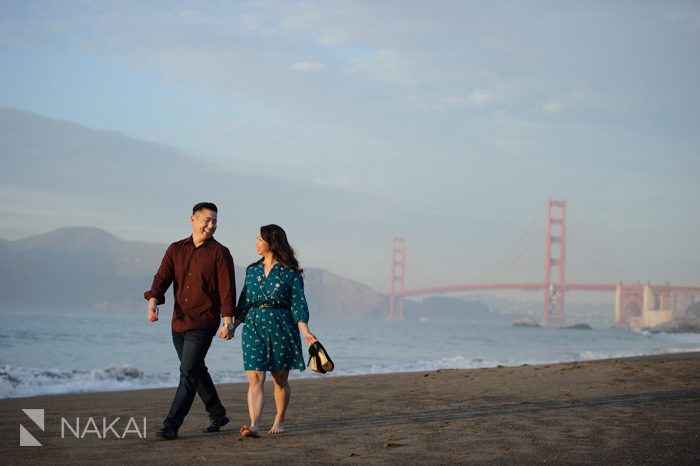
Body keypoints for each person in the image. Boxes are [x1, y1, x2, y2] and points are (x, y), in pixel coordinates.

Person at [145, 202, 237, 440]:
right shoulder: (176, 249)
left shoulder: (220, 252)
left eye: (215, 221)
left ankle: (171, 424)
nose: (211, 225)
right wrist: (153, 299)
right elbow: (162, 277)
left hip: (204, 322)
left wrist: (227, 322)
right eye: (207, 220)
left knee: (187, 371)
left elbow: (228, 289)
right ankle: (217, 413)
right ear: (193, 220)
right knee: (195, 369)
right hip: (179, 321)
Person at [225, 224, 316, 437]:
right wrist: (232, 326)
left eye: (259, 239)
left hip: (281, 327)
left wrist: (305, 332)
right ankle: (254, 425)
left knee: (279, 379)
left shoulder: (291, 273)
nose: (256, 242)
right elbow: (244, 302)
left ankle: (279, 418)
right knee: (255, 377)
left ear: (271, 242)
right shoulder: (252, 270)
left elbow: (298, 304)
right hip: (254, 326)